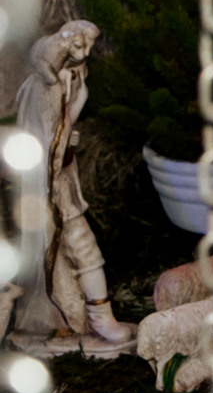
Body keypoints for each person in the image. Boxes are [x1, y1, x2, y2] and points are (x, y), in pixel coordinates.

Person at [13, 20, 132, 344]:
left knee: (75, 254)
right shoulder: (44, 88)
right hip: (51, 191)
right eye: (80, 46)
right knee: (84, 251)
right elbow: (47, 140)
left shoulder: (74, 79)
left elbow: (65, 130)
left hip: (63, 186)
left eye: (90, 46)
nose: (87, 53)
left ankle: (89, 318)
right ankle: (97, 318)